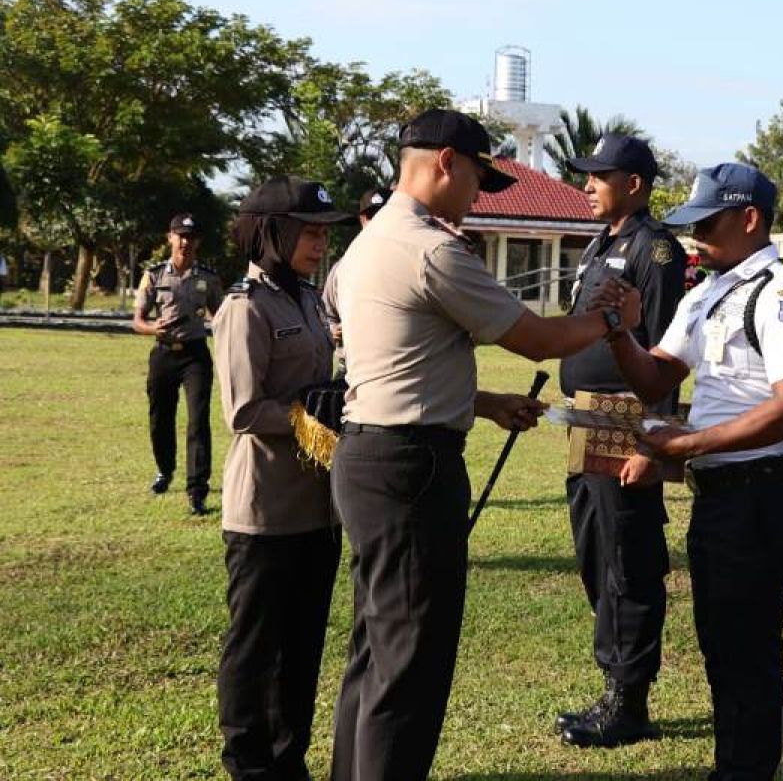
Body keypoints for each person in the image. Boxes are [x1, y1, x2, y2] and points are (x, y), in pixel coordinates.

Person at [329, 108, 643, 781]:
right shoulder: (430, 247)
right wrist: (614, 317)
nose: (476, 194)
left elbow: (392, 360)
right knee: (409, 659)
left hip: (369, 456)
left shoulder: (366, 245)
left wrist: (482, 403)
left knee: (376, 648)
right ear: (446, 162)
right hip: (412, 467)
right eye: (476, 177)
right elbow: (539, 338)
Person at [597, 162, 783, 781]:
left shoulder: (780, 297)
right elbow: (655, 375)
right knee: (722, 647)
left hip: (759, 497)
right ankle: (738, 765)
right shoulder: (707, 293)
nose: (695, 235)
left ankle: (744, 770)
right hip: (721, 499)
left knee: (745, 653)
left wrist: (688, 442)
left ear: (749, 219)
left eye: (708, 222)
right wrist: (620, 330)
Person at [211, 176, 355, 780]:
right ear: (273, 232)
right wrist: (308, 414)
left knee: (302, 646)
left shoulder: (306, 299)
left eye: (325, 233)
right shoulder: (244, 307)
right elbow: (243, 411)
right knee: (255, 646)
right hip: (265, 510)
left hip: (316, 507)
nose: (321, 244)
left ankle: (287, 758)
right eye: (310, 232)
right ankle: (247, 763)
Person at [555, 135, 687, 748]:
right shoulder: (601, 242)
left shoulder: (655, 249)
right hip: (589, 417)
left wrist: (651, 443)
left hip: (625, 418)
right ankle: (612, 684)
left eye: (598, 176)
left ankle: (627, 702)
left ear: (634, 182)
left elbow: (663, 350)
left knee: (628, 559)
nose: (586, 186)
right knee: (595, 552)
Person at [132, 213, 224, 514]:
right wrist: (152, 329)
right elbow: (137, 320)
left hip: (195, 355)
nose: (185, 242)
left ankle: (197, 489)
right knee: (160, 417)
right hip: (163, 354)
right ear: (169, 237)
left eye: (191, 237)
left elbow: (219, 316)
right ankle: (165, 469)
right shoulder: (154, 274)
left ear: (197, 241)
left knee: (198, 420)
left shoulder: (208, 278)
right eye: (180, 235)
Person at [323, 187, 392, 377]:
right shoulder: (341, 268)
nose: (377, 223)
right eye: (371, 217)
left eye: (383, 216)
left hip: (391, 369)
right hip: (350, 368)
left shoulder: (406, 266)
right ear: (362, 220)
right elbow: (325, 313)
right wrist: (332, 329)